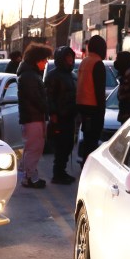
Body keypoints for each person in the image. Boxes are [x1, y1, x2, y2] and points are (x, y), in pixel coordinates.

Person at [17, 42, 53, 188]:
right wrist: (48, 108)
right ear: (37, 59)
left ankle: (29, 174)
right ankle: (30, 177)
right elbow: (36, 98)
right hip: (33, 117)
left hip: (33, 116)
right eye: (44, 60)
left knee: (32, 147)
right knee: (34, 147)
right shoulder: (30, 76)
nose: (45, 63)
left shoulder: (30, 74)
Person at [45, 45, 78, 185]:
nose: (70, 60)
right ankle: (57, 174)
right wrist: (53, 114)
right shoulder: (53, 75)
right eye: (67, 57)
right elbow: (49, 97)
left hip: (71, 116)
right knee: (61, 146)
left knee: (69, 145)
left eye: (72, 57)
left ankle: (62, 171)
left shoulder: (72, 75)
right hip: (59, 117)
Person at [76, 35, 107, 164]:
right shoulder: (98, 64)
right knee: (92, 142)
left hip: (82, 106)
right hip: (94, 107)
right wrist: (102, 110)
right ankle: (88, 167)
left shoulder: (85, 61)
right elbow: (99, 90)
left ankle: (84, 163)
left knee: (87, 140)